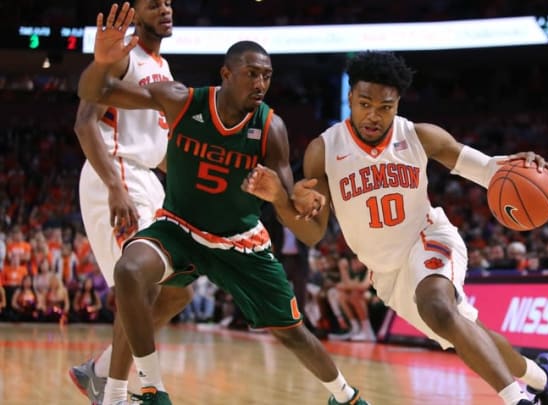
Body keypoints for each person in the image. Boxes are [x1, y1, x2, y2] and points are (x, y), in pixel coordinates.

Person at [77, 4, 369, 405]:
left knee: (290, 330)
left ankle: (346, 396)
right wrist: (101, 63)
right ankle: (143, 390)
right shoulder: (183, 101)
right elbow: (95, 93)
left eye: (267, 75)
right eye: (252, 74)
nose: (261, 83)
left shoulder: (271, 128)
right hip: (180, 228)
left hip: (237, 240)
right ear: (226, 75)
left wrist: (288, 198)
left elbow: (307, 232)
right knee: (132, 271)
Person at [243, 50, 548, 405]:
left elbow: (490, 170)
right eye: (365, 103)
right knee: (465, 331)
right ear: (350, 96)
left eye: (385, 107)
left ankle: (518, 400)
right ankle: (541, 378)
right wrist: (282, 202)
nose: (374, 115)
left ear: (397, 103)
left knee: (438, 308)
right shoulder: (324, 150)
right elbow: (312, 233)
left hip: (428, 238)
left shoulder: (419, 136)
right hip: (386, 274)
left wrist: (524, 167)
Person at [69, 1, 194, 404]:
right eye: (154, 4)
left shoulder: (164, 66)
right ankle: (116, 394)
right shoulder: (122, 57)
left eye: (169, 2)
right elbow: (85, 123)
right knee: (139, 285)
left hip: (146, 177)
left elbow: (159, 151)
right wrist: (115, 188)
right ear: (134, 13)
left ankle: (101, 372)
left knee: (178, 290)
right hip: (117, 170)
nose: (165, 9)